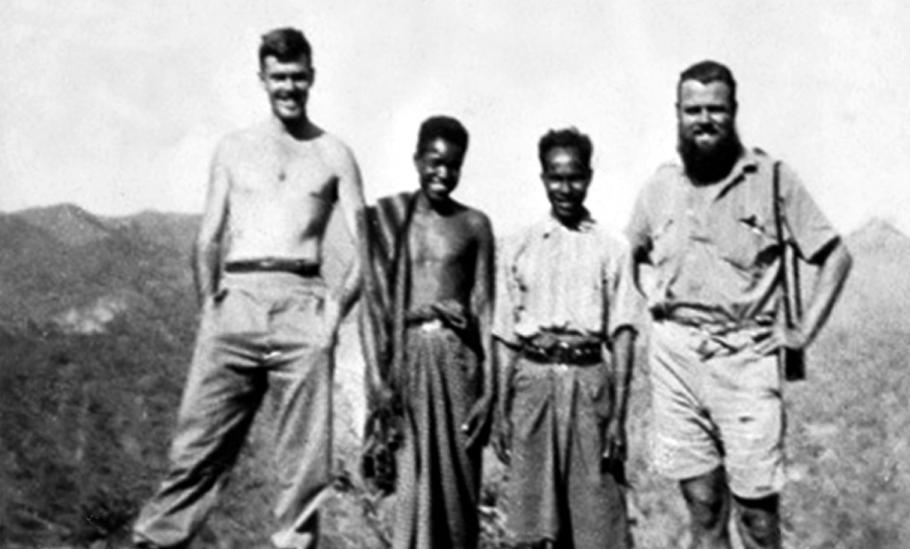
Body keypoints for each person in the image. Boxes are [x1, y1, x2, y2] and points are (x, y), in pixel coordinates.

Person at [131, 28, 368, 549]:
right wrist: (211, 312)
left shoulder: (334, 154)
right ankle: (157, 542)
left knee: (304, 465)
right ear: (262, 79)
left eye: (298, 77)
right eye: (279, 77)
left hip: (303, 298)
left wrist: (331, 319)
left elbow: (363, 253)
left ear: (313, 77)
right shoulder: (234, 149)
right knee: (197, 446)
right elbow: (207, 238)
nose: (289, 88)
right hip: (236, 298)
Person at [625, 60, 853, 549]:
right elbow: (630, 256)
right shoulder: (659, 186)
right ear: (677, 114)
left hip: (747, 359)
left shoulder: (771, 180)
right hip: (676, 362)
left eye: (715, 109)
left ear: (734, 112)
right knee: (703, 508)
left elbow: (835, 256)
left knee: (756, 516)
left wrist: (802, 332)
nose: (704, 120)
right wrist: (653, 302)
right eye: (693, 110)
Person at [493, 127, 639, 549]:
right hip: (533, 386)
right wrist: (503, 411)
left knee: (597, 525)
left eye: (574, 177)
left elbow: (624, 335)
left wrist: (618, 419)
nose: (565, 188)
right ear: (542, 179)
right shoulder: (518, 246)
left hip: (588, 385)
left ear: (589, 177)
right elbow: (505, 336)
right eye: (555, 177)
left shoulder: (613, 248)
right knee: (532, 529)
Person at [359, 116, 495, 549]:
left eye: (453, 165)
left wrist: (490, 391)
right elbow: (369, 306)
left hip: (457, 363)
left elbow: (488, 309)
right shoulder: (390, 221)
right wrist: (380, 382)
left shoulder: (475, 225)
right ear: (417, 159)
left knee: (457, 487)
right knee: (409, 484)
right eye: (434, 162)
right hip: (406, 362)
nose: (442, 173)